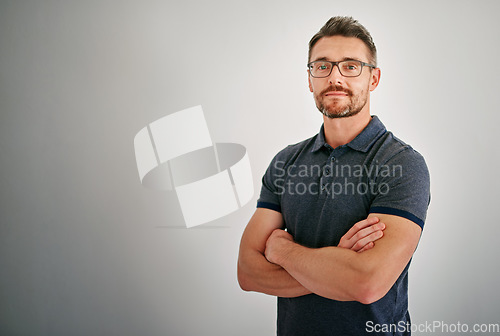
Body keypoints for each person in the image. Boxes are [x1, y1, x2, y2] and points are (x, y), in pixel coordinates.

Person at [237, 16, 430, 335]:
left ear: (374, 78)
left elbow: (367, 283)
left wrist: (282, 251)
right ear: (310, 79)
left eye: (351, 66)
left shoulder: (401, 163)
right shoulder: (286, 161)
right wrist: (336, 266)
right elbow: (248, 272)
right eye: (322, 66)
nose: (335, 77)